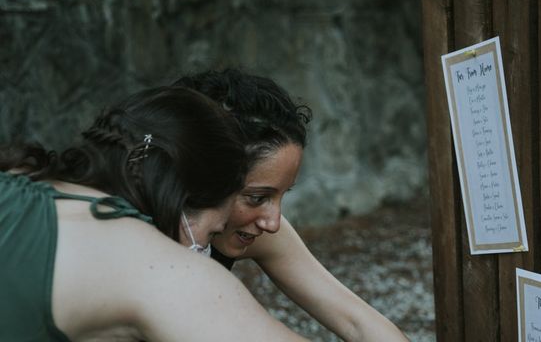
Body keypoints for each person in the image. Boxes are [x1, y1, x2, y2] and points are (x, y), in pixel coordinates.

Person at [0, 86, 309, 341]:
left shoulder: (17, 181)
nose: (206, 250)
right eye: (213, 232)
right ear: (183, 202)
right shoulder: (154, 268)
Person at [175, 69, 410, 342]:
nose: (273, 223)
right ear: (202, 179)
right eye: (257, 198)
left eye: (282, 195)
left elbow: (355, 320)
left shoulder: (244, 226)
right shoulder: (141, 242)